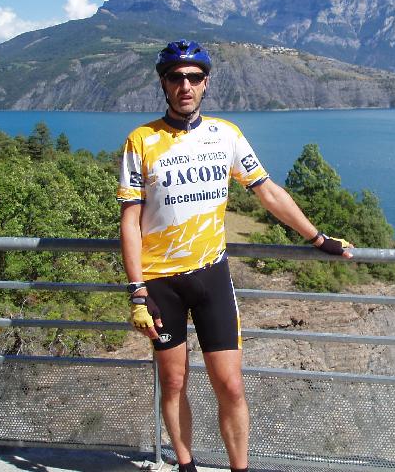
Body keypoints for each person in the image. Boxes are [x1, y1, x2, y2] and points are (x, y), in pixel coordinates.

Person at [117, 40, 353, 472]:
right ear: (163, 83)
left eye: (194, 77)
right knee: (172, 382)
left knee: (230, 385)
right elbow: (129, 220)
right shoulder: (141, 140)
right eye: (175, 77)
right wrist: (136, 292)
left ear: (206, 83)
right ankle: (185, 466)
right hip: (159, 283)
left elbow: (267, 192)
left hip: (211, 277)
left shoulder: (225, 135)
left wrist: (317, 238)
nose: (185, 85)